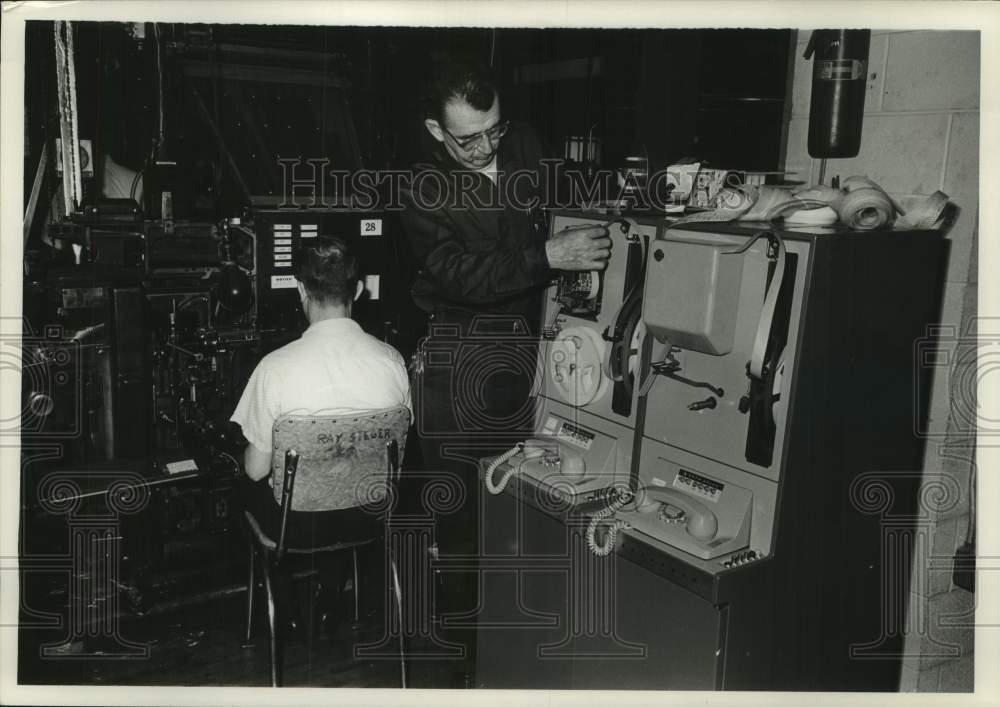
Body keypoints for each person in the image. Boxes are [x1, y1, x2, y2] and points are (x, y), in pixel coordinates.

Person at [399, 55, 610, 669]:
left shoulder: (527, 145)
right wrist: (549, 254)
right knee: (465, 527)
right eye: (469, 137)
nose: (487, 145)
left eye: (495, 129)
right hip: (458, 364)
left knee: (527, 507)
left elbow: (573, 204)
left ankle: (521, 655)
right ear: (437, 131)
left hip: (531, 353)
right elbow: (460, 275)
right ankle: (469, 664)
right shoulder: (422, 188)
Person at [230, 237, 411, 634]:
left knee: (244, 478)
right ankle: (330, 597)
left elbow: (258, 471)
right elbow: (395, 460)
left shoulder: (274, 369)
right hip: (369, 517)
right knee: (342, 477)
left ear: (300, 290)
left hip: (294, 526)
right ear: (358, 290)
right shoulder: (393, 362)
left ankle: (287, 607)